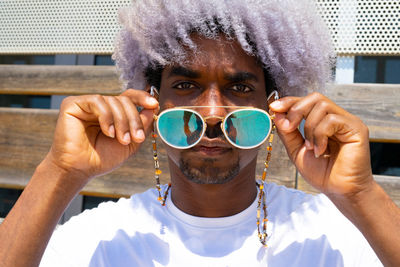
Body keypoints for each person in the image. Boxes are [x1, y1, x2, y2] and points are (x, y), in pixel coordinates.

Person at [1, 0, 399, 266]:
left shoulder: (327, 233)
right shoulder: (103, 237)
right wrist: (59, 171)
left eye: (240, 88)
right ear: (153, 102)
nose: (211, 113)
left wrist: (361, 194)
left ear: (275, 107)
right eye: (187, 86)